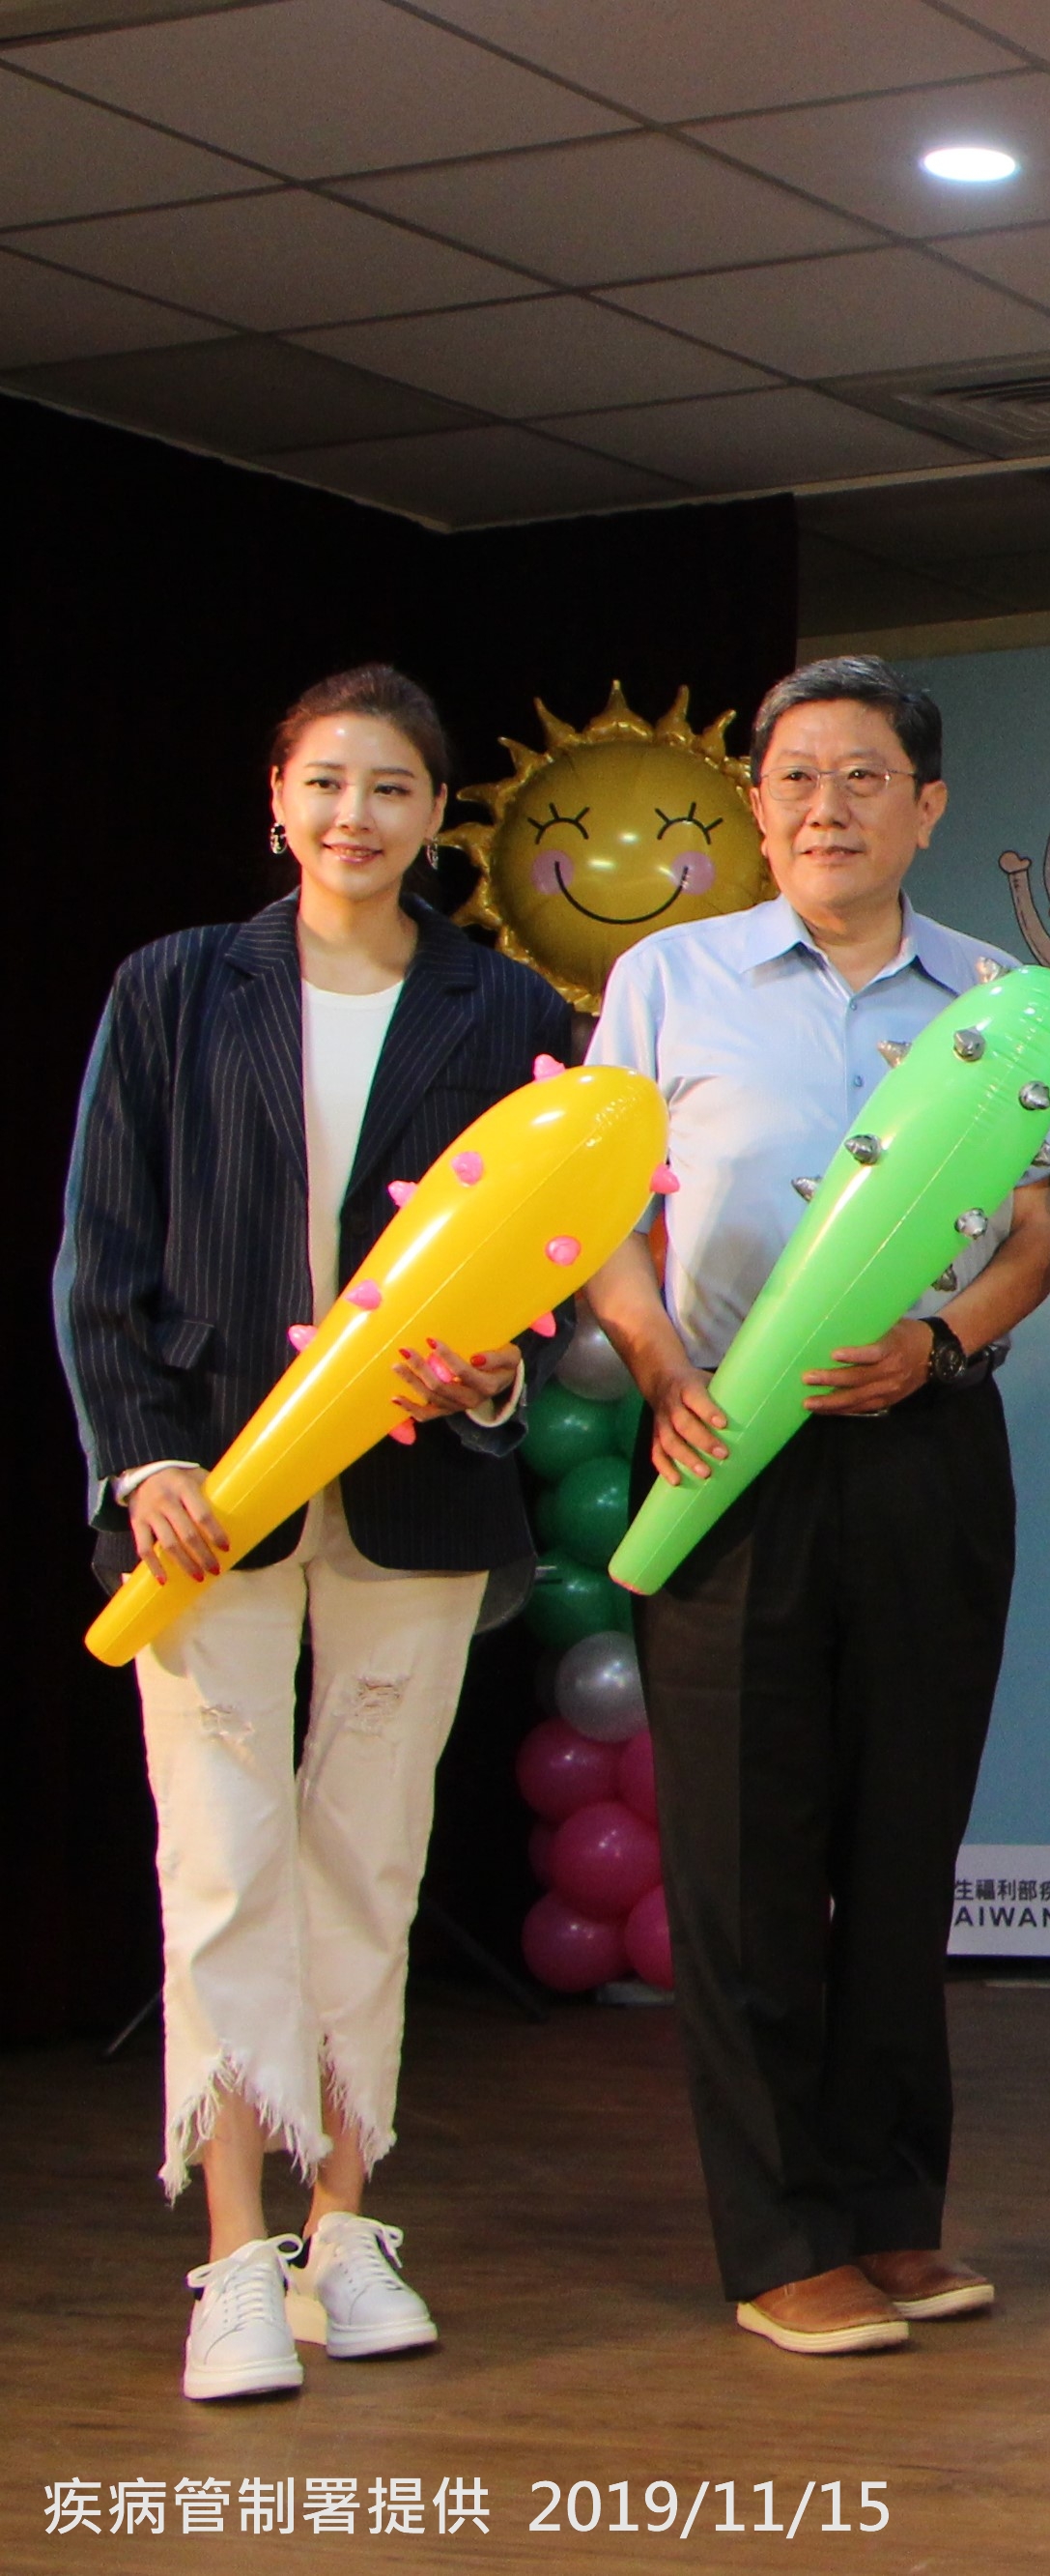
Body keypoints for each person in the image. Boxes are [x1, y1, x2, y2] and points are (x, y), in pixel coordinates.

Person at [60, 664, 569, 2401]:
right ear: (276, 799)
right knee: (221, 1864)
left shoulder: (503, 1005)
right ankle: (230, 2255)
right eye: (327, 782)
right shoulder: (172, 987)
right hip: (207, 1500)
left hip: (417, 1492)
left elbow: (543, 1254)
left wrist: (493, 1374)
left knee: (371, 1859)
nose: (357, 815)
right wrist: (141, 1462)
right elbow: (99, 1254)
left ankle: (346, 2222)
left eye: (393, 787)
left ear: (436, 817)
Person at [581, 656, 1050, 2358]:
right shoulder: (669, 980)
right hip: (721, 1444)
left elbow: (1043, 1231)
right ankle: (782, 2235)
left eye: (863, 777)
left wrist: (943, 1341)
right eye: (794, 776)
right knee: (743, 1855)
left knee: (901, 1840)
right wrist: (657, 1362)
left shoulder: (1001, 995)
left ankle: (890, 2212)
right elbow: (603, 1214)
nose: (824, 807)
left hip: (924, 1442)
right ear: (758, 802)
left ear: (926, 807)